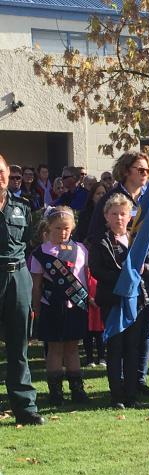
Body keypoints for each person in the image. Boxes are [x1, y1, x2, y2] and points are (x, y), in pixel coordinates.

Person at [89, 151, 149, 398]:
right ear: (126, 170)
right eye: (140, 170)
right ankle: (118, 387)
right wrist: (122, 276)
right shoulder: (111, 200)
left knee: (143, 330)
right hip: (116, 288)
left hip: (143, 282)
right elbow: (96, 245)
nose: (145, 175)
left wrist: (146, 269)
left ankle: (137, 381)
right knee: (118, 340)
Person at [89, 193, 149, 409]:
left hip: (136, 300)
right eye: (114, 214)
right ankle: (116, 395)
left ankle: (132, 393)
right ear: (106, 216)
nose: (118, 218)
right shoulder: (99, 241)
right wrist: (122, 278)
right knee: (115, 348)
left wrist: (144, 268)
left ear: (129, 217)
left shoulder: (137, 239)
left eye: (123, 214)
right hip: (113, 300)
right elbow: (97, 270)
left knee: (132, 347)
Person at [30, 206, 90, 405]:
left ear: (72, 227)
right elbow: (36, 285)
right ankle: (56, 392)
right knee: (54, 349)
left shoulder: (81, 249)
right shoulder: (41, 253)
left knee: (73, 348)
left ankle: (77, 390)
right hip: (51, 306)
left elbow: (85, 278)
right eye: (57, 228)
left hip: (76, 305)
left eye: (66, 228)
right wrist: (36, 308)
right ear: (48, 227)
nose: (62, 232)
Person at [0, 154, 44, 426]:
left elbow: (30, 242)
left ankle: (25, 408)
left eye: (1, 171)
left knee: (19, 347)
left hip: (18, 278)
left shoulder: (21, 207)